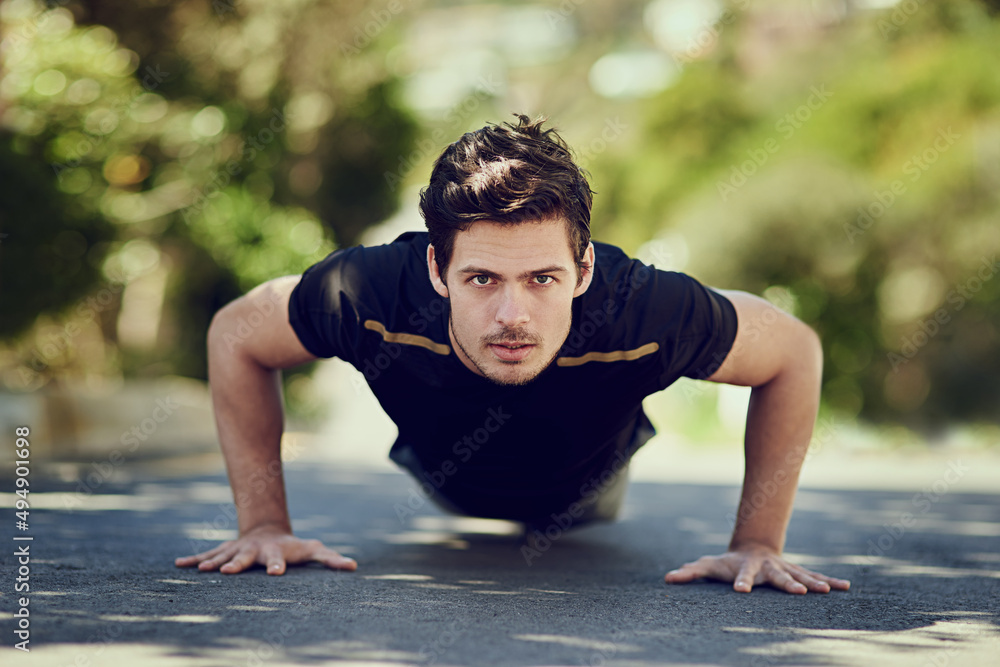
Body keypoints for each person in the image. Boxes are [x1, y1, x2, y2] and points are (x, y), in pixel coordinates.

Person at [175, 115, 850, 595]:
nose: (512, 315)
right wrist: (264, 525)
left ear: (584, 270)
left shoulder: (643, 306)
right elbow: (237, 333)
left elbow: (792, 350)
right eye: (481, 279)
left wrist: (757, 542)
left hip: (588, 491)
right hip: (445, 480)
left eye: (542, 279)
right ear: (437, 269)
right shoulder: (366, 291)